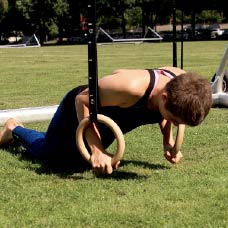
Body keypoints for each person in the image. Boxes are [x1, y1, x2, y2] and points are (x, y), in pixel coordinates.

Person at [0, 67, 212, 174]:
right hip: (84, 106)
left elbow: (163, 114)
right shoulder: (130, 87)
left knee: (77, 163)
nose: (175, 124)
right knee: (54, 158)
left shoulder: (181, 83)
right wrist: (98, 150)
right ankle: (14, 129)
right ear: (164, 98)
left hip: (114, 117)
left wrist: (168, 139)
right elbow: (82, 100)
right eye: (174, 120)